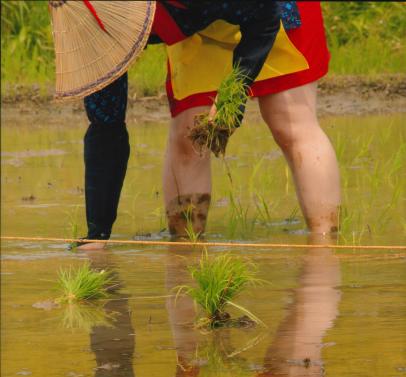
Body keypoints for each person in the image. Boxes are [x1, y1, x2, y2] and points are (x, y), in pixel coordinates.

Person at [75, 0, 282, 249]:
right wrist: (96, 235)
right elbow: (106, 124)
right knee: (106, 118)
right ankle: (101, 236)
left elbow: (266, 18)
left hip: (226, 14)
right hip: (120, 24)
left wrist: (234, 92)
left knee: (287, 116)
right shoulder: (89, 21)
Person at [163, 1, 341, 238]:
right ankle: (183, 251)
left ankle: (325, 248)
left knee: (289, 123)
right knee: (190, 131)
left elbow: (266, 15)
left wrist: (234, 93)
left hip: (274, 12)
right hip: (195, 22)